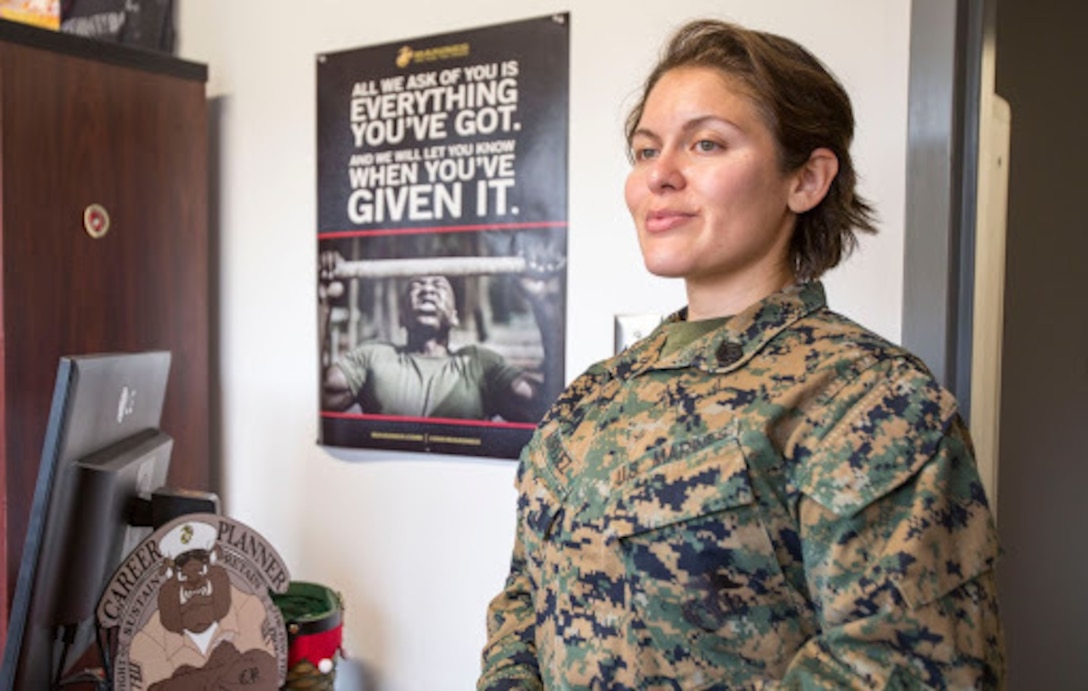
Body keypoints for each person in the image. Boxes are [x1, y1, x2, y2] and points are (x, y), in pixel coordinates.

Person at [478, 19, 1004, 690]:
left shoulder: (867, 400)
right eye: (645, 150)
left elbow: (899, 666)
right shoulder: (591, 398)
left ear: (806, 180)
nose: (659, 176)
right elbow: (522, 606)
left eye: (705, 143)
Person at [320, 255, 559, 422]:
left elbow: (547, 409)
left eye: (439, 286)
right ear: (401, 316)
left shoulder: (478, 364)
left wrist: (541, 303)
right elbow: (319, 396)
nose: (428, 290)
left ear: (454, 317)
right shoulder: (374, 356)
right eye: (418, 285)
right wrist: (322, 302)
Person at [128, 520, 279, 690]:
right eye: (183, 575)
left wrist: (187, 680)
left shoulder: (249, 608)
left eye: (201, 570)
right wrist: (229, 667)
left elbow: (265, 671)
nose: (195, 583)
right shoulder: (147, 639)